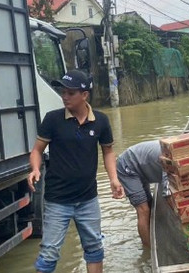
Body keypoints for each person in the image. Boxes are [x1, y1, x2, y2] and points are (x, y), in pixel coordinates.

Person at [27, 70, 124, 273]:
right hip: (57, 200)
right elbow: (37, 150)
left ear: (84, 95)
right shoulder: (52, 119)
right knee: (49, 253)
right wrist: (35, 169)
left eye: (70, 93)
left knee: (94, 248)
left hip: (88, 199)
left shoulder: (101, 121)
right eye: (63, 92)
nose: (64, 97)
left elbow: (108, 152)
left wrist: (114, 179)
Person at [116, 140, 169, 247]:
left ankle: (152, 236)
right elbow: (167, 193)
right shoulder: (169, 158)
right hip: (128, 166)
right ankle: (148, 248)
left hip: (142, 165)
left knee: (150, 205)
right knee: (144, 210)